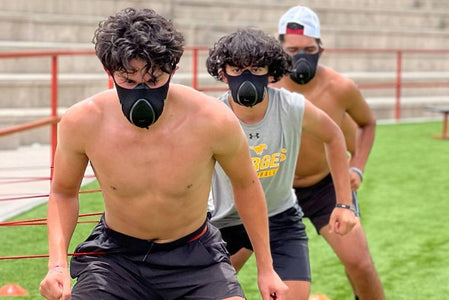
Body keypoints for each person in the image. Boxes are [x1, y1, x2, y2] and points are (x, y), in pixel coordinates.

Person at [38, 8, 287, 300]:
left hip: (195, 255)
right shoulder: (83, 121)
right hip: (116, 259)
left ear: (173, 71)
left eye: (154, 80)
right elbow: (64, 192)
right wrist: (56, 265)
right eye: (128, 81)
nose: (141, 91)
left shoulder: (212, 119)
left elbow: (247, 184)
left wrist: (266, 268)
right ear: (110, 73)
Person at [206, 28, 358, 300]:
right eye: (237, 69)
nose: (247, 77)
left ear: (271, 71)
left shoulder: (290, 106)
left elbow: (334, 136)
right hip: (224, 221)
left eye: (256, 68)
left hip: (279, 217)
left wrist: (344, 203)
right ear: (223, 73)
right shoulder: (213, 117)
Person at [270, 6, 385, 300]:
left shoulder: (340, 87)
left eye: (310, 48)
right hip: (274, 187)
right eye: (293, 49)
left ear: (321, 48)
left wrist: (356, 166)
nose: (302, 56)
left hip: (326, 186)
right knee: (226, 263)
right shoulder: (266, 85)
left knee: (360, 264)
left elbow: (367, 123)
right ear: (280, 49)